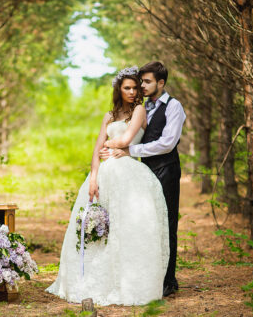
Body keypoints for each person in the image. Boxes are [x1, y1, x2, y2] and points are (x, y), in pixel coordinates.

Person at [46, 66, 170, 306]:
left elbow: (125, 139)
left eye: (135, 88)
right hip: (105, 173)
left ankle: (128, 280)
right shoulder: (109, 115)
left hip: (129, 171)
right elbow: (96, 149)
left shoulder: (139, 111)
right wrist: (93, 177)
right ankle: (93, 280)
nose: (133, 92)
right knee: (100, 225)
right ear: (119, 89)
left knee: (128, 226)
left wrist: (112, 145)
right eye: (127, 88)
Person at [100, 61, 186, 297]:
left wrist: (129, 151)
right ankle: (151, 275)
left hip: (166, 169)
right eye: (141, 82)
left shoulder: (174, 106)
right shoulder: (143, 108)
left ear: (161, 83)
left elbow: (167, 143)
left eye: (147, 82)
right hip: (144, 172)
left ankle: (169, 280)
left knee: (167, 222)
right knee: (148, 222)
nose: (142, 86)